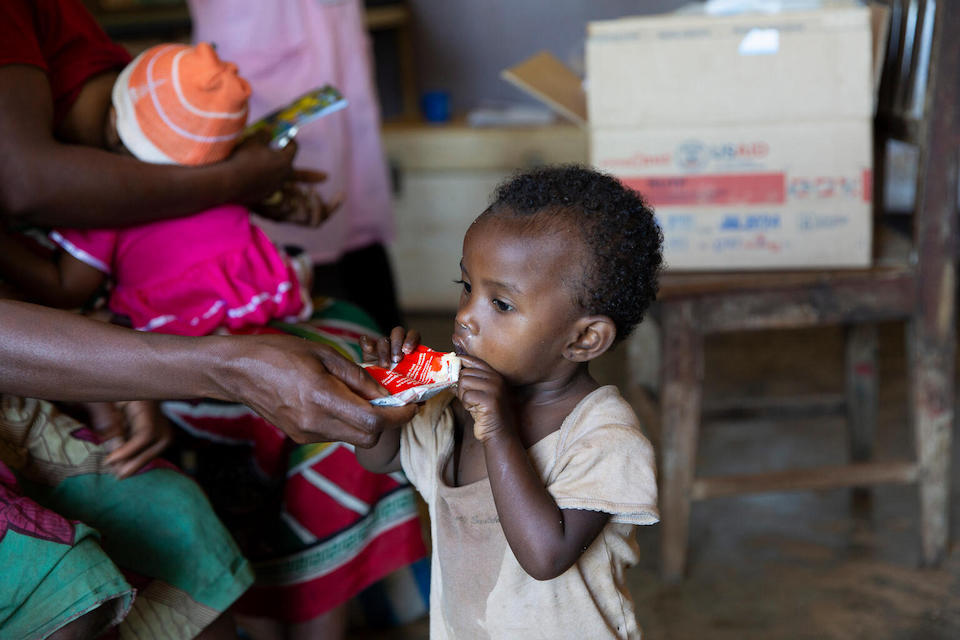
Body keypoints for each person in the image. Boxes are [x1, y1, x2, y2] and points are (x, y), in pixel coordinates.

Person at [0, 1, 415, 636]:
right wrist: (237, 182)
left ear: (118, 138)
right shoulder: (175, 186)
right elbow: (29, 186)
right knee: (344, 398)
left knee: (342, 379)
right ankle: (354, 603)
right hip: (213, 334)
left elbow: (61, 279)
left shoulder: (117, 200)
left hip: (171, 340)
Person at [356, 165, 663, 639]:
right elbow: (381, 458)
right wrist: (387, 400)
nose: (464, 319)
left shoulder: (604, 438)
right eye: (466, 288)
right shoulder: (451, 410)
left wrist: (498, 430)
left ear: (583, 340)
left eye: (500, 305)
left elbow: (546, 555)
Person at [0, 42, 316, 336]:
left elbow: (66, 288)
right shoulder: (230, 187)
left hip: (173, 334)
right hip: (261, 304)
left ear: (113, 121)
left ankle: (136, 397)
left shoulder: (106, 203)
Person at [189, 0, 404, 333]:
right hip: (258, 48)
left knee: (356, 233)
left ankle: (392, 362)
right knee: (287, 266)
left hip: (332, 44)